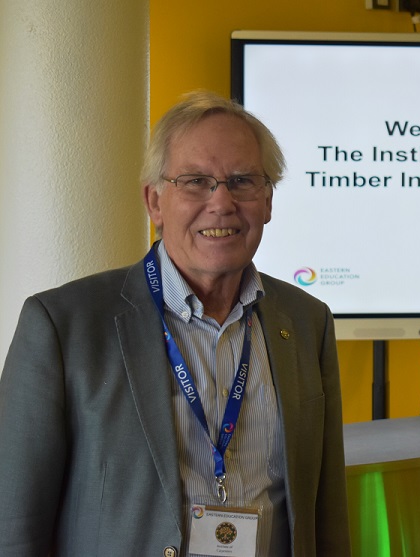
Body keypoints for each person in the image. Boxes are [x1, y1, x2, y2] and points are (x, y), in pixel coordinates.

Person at [0, 91, 352, 556]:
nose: (222, 202)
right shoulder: (62, 326)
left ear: (267, 201)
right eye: (195, 181)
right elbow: (15, 526)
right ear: (155, 202)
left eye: (243, 180)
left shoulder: (308, 322)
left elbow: (325, 518)